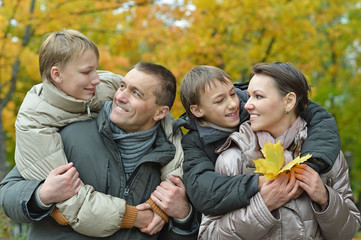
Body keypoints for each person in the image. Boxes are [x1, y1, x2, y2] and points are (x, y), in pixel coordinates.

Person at [10, 29, 187, 237]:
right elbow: (10, 192)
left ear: (160, 112)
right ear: (57, 75)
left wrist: (177, 212)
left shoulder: (97, 90)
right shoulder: (53, 131)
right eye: (123, 87)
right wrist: (40, 195)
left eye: (135, 93)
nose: (96, 80)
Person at [198, 62, 361, 239]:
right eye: (249, 96)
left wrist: (325, 198)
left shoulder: (327, 156)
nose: (246, 105)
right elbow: (208, 236)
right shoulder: (233, 158)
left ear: (289, 101)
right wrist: (262, 207)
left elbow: (349, 232)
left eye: (258, 96)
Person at [175, 64, 341, 216]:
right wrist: (258, 182)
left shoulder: (251, 104)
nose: (233, 103)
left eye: (232, 93)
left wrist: (309, 167)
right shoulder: (194, 142)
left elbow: (319, 118)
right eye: (220, 100)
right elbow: (202, 191)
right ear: (197, 110)